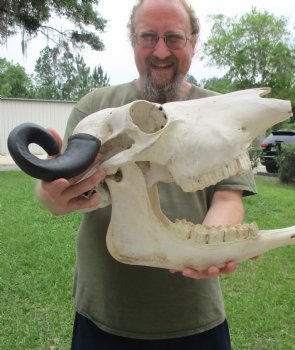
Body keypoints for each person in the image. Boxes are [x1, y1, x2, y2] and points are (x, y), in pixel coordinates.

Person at [36, 0, 257, 349]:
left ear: (193, 41)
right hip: (103, 312)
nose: (160, 51)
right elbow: (59, 189)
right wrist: (51, 195)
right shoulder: (95, 106)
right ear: (132, 40)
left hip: (193, 314)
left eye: (174, 38)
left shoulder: (221, 111)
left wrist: (210, 242)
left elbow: (229, 196)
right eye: (148, 37)